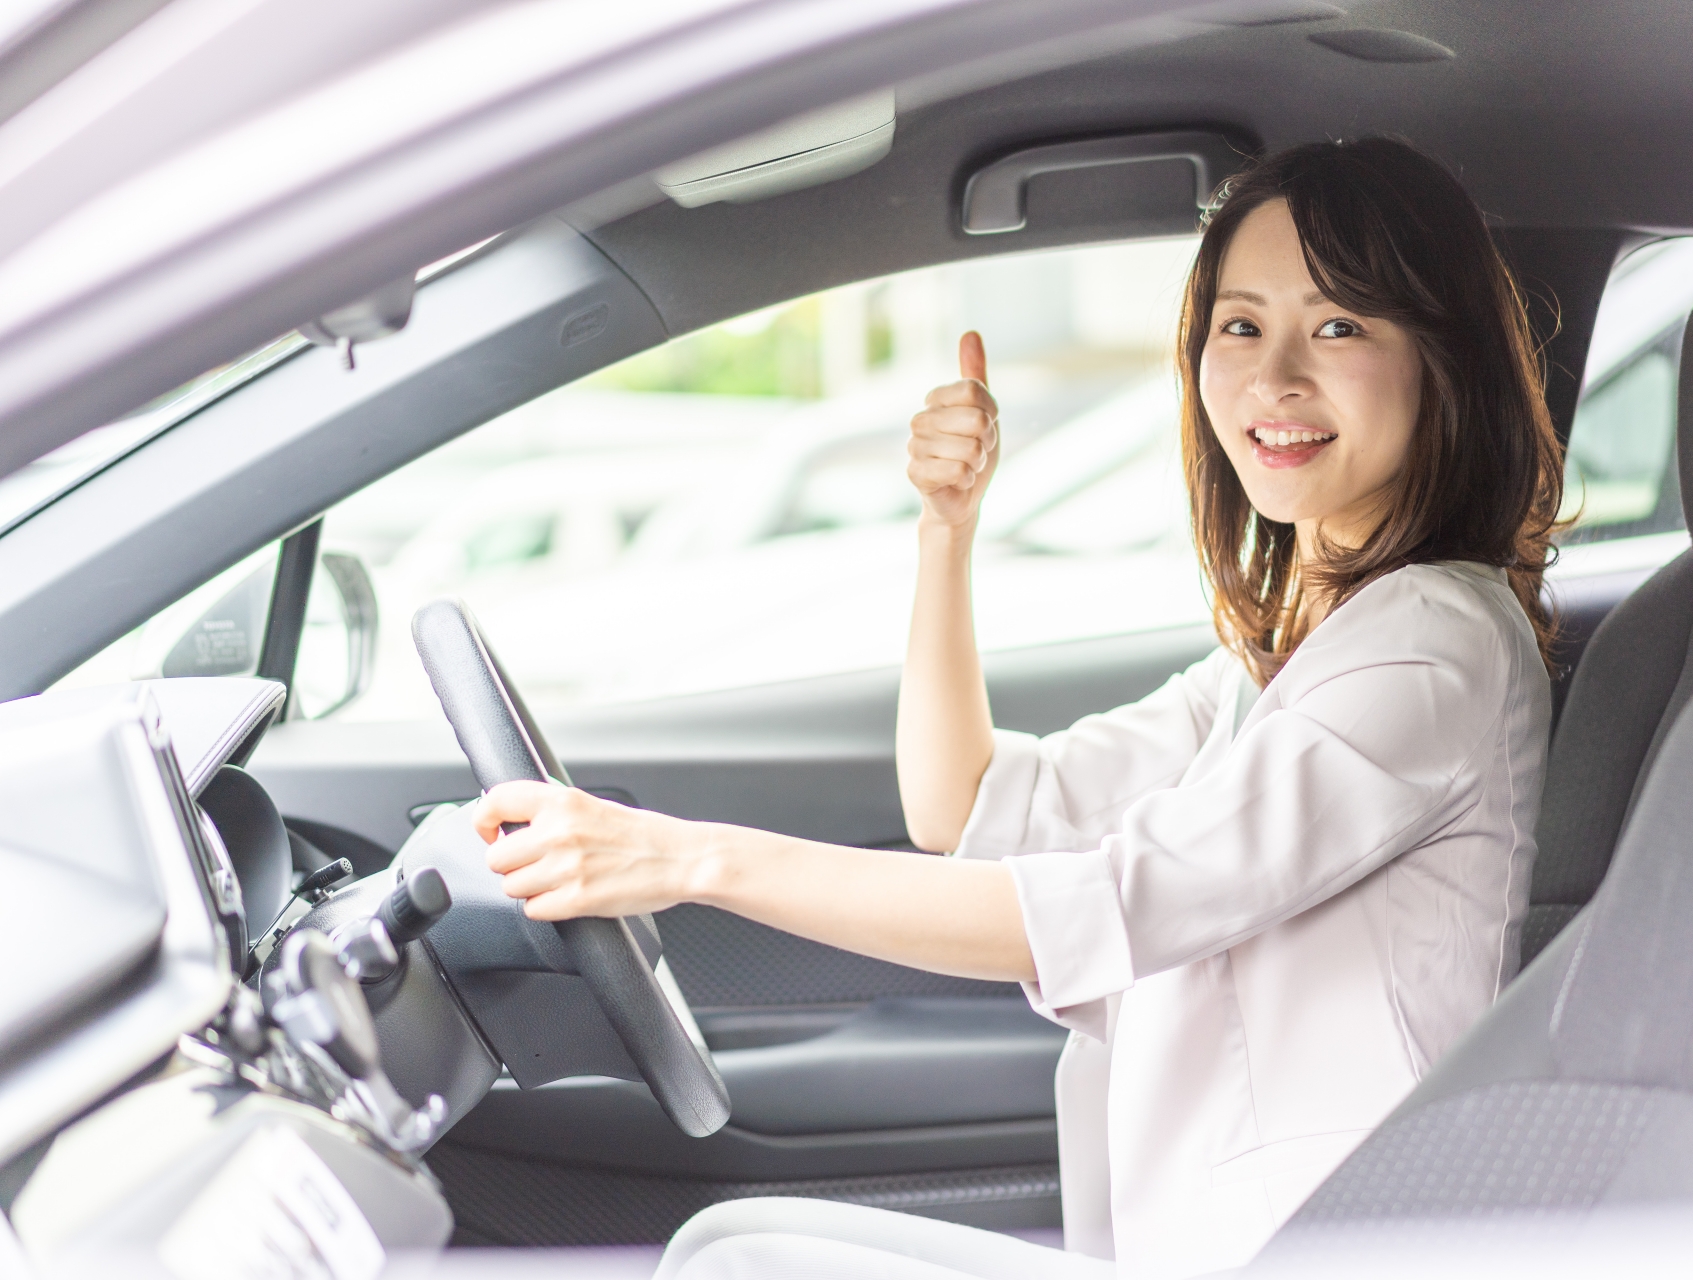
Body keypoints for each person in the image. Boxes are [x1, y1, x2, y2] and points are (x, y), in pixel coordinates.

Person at [472, 136, 1563, 1279]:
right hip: (1209, 1242)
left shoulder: (1432, 648)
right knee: (728, 1243)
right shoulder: (1292, 654)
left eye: (1340, 325)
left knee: (733, 1262)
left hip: (1324, 1246)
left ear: (1446, 362)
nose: (1275, 376)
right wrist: (948, 527)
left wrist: (688, 858)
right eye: (1240, 325)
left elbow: (1094, 905)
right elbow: (972, 804)